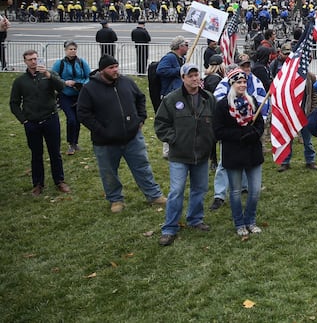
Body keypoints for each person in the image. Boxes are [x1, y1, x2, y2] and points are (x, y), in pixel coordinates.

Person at [77, 54, 166, 213]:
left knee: (142, 167)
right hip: (106, 142)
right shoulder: (89, 88)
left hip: (132, 137)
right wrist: (101, 130)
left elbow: (140, 98)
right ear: (102, 70)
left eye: (116, 66)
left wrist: (141, 118)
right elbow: (83, 113)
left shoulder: (127, 82)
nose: (115, 70)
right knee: (109, 172)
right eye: (111, 68)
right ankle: (116, 199)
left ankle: (154, 195)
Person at [154, 63, 216, 246]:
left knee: (200, 189)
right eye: (191, 76)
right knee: (176, 191)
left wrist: (210, 140)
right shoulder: (171, 100)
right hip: (179, 155)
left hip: (202, 155)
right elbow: (160, 125)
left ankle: (195, 219)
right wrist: (175, 139)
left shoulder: (209, 98)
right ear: (183, 78)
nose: (195, 79)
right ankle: (169, 228)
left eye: (197, 75)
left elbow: (216, 122)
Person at [212, 68, 265, 236]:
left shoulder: (253, 102)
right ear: (231, 84)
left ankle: (250, 220)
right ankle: (239, 223)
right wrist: (241, 134)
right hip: (233, 153)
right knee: (235, 191)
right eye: (238, 82)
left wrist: (254, 133)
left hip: (252, 152)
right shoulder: (222, 106)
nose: (242, 85)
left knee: (254, 190)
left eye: (244, 82)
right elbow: (218, 131)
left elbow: (260, 124)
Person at [10, 49, 70, 196]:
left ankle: (59, 181)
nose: (33, 62)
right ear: (25, 61)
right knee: (36, 154)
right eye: (30, 59)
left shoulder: (48, 75)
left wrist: (50, 76)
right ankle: (38, 183)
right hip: (32, 122)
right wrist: (23, 120)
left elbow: (62, 87)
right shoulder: (20, 81)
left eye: (35, 58)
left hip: (50, 119)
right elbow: (14, 103)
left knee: (55, 152)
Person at [53, 41, 91, 155]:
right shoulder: (60, 63)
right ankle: (70, 143)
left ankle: (75, 142)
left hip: (79, 95)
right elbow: (53, 78)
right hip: (65, 95)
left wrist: (81, 84)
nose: (73, 51)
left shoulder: (81, 62)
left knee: (77, 119)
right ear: (65, 50)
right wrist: (65, 83)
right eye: (70, 49)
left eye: (74, 49)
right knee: (71, 119)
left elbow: (89, 76)